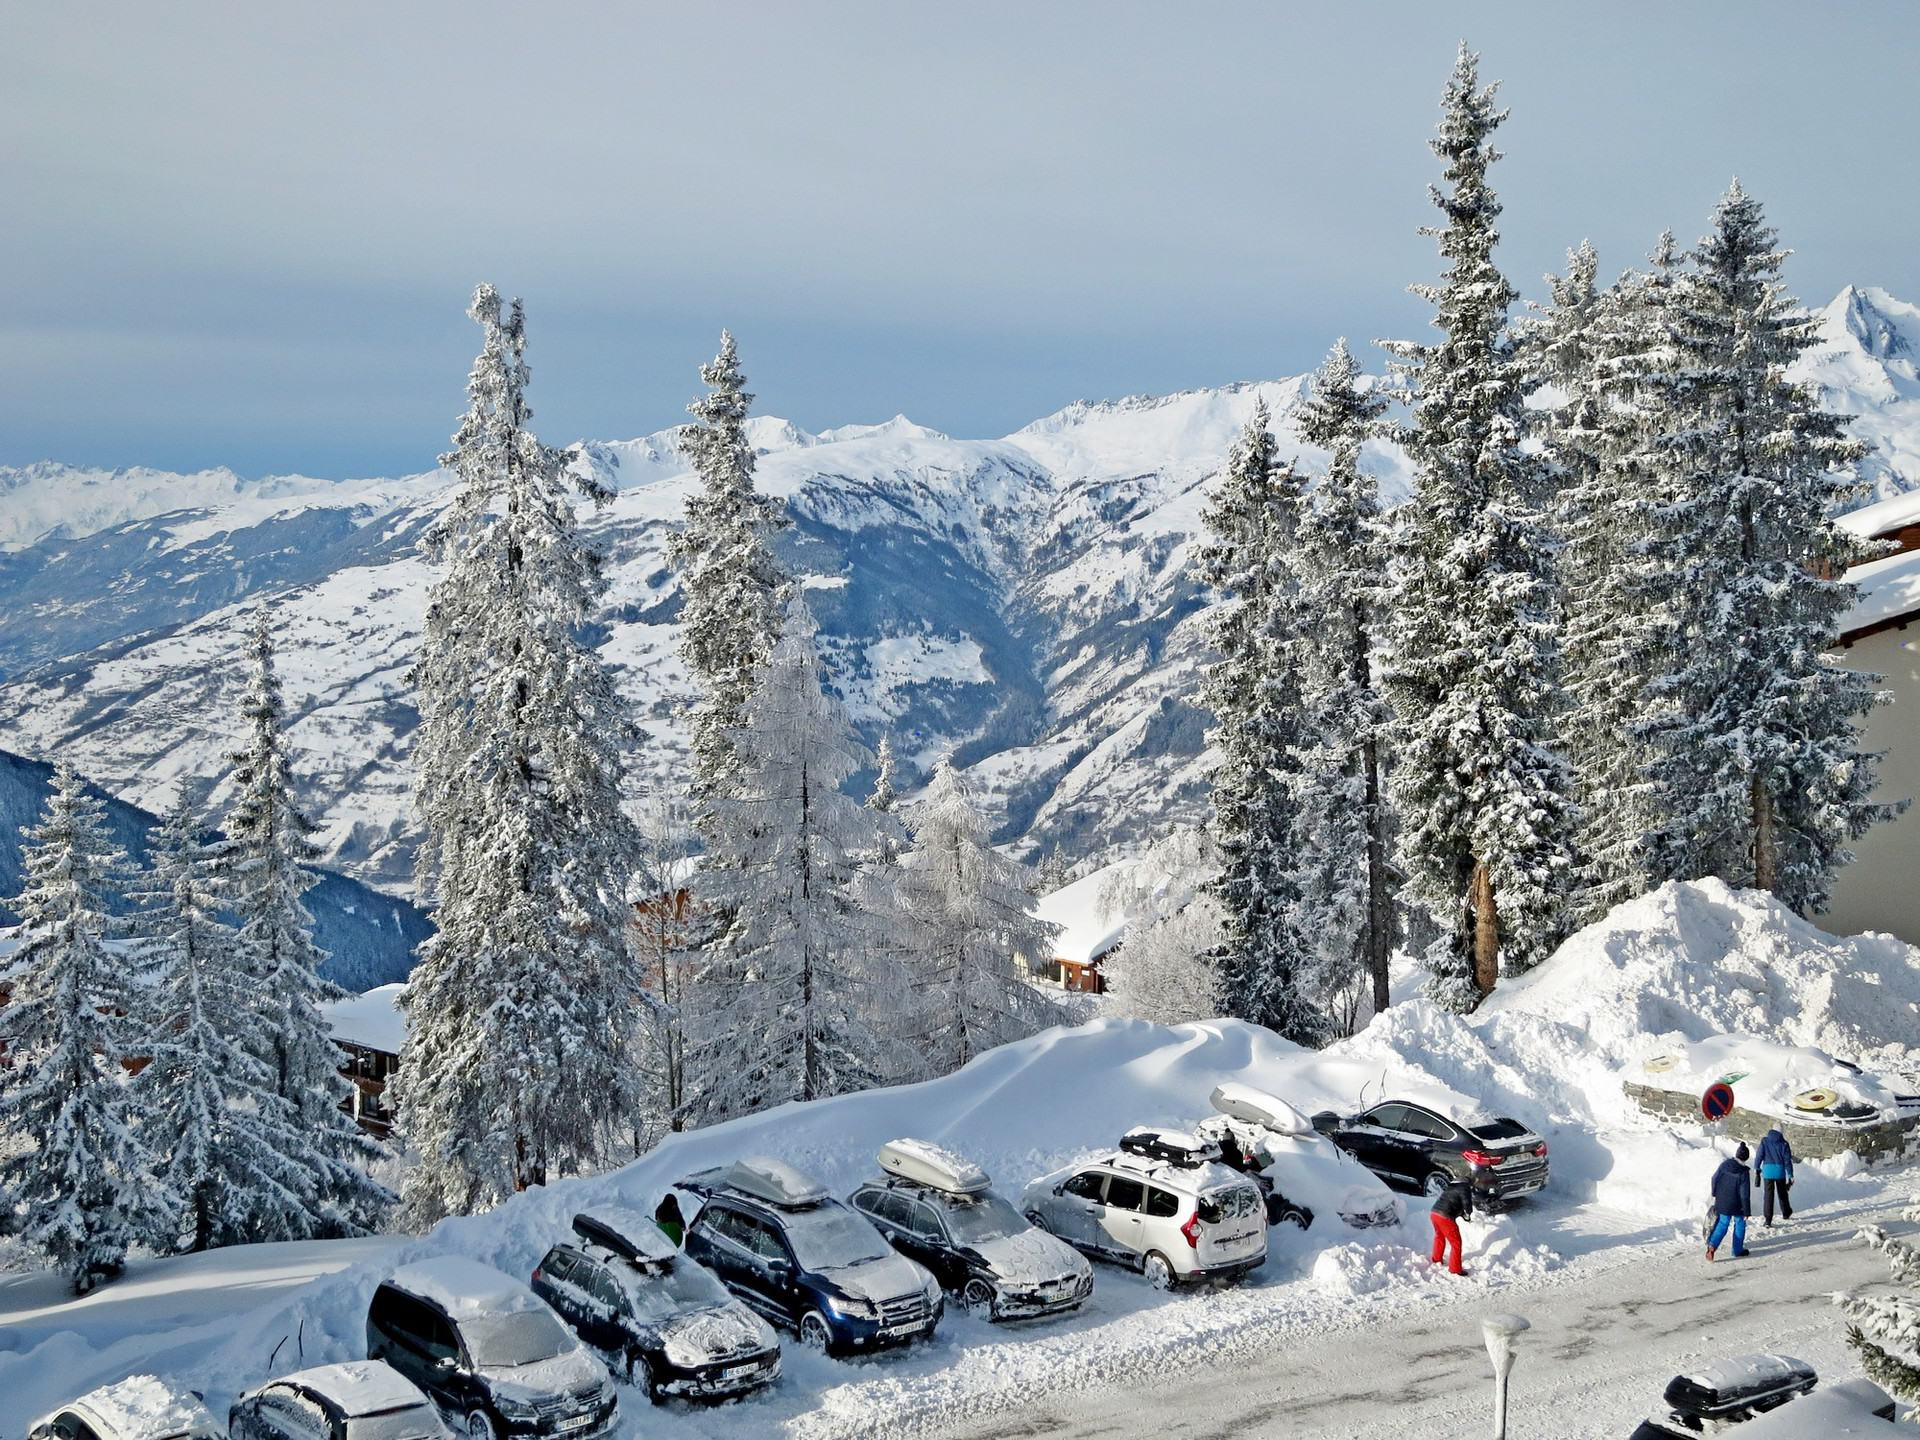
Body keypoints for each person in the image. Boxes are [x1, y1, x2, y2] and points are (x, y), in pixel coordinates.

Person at [1707, 1143, 1752, 1261]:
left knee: (1722, 1223)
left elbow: (1714, 1178)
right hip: (1737, 1204)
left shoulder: (1725, 1164)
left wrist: (1715, 1193)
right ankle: (1737, 1250)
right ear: (1746, 1158)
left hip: (1722, 1200)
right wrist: (1746, 1211)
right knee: (1740, 1224)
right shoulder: (1743, 1172)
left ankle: (1712, 1246)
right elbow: (1744, 1194)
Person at [1430, 1174, 1476, 1276]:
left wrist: (1462, 1214)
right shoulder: (1465, 1187)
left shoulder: (1451, 1186)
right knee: (1456, 1243)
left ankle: (1436, 1259)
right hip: (1445, 1217)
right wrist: (1468, 1214)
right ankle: (1455, 1269)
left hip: (1434, 1213)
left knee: (1439, 1236)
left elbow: (1452, 1202)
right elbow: (1467, 1204)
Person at [1754, 1127, 1794, 1226]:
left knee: (1768, 1196)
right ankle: (1786, 1213)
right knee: (1782, 1194)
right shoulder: (1784, 1143)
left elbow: (1759, 1155)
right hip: (1779, 1172)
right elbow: (1787, 1161)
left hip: (1767, 1172)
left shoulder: (1765, 1141)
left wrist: (1757, 1167)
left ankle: (1768, 1220)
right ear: (1781, 1132)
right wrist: (1790, 1174)